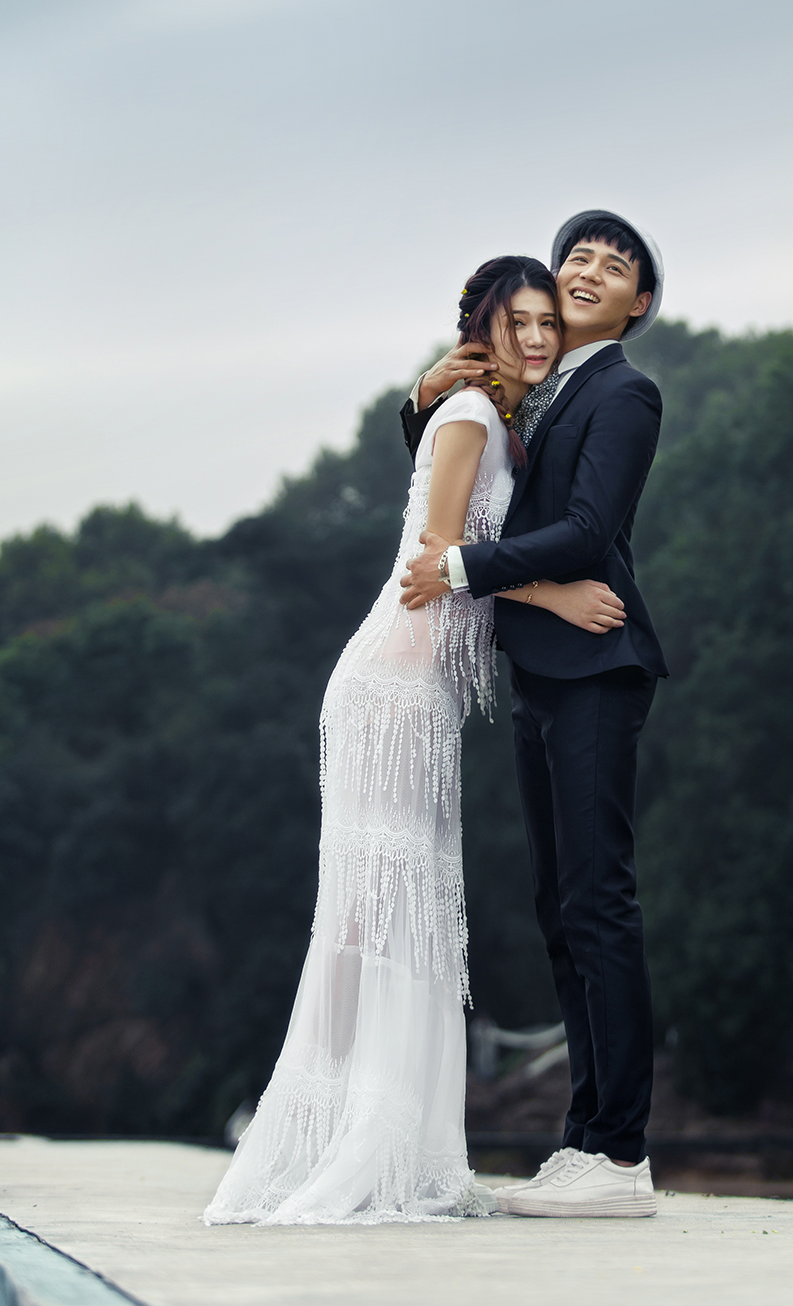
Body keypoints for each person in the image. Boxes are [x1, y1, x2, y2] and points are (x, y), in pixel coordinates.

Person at [203, 256, 620, 1228]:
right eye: (516, 321)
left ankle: (386, 1148)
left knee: (399, 920)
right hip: (391, 687)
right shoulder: (471, 414)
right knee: (380, 924)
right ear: (482, 328)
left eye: (547, 322)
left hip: (417, 693)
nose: (536, 337)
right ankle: (359, 1152)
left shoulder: (485, 418)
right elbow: (435, 559)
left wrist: (423, 399)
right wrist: (556, 593)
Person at [399, 210, 668, 1218]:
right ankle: (584, 1139)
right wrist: (420, 402)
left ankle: (622, 1155)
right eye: (577, 258)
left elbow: (589, 529)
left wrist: (463, 569)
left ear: (638, 303)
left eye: (615, 265)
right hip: (541, 670)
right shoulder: (537, 393)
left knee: (599, 903)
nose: (590, 270)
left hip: (598, 663)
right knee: (560, 910)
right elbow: (459, 477)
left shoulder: (624, 392)